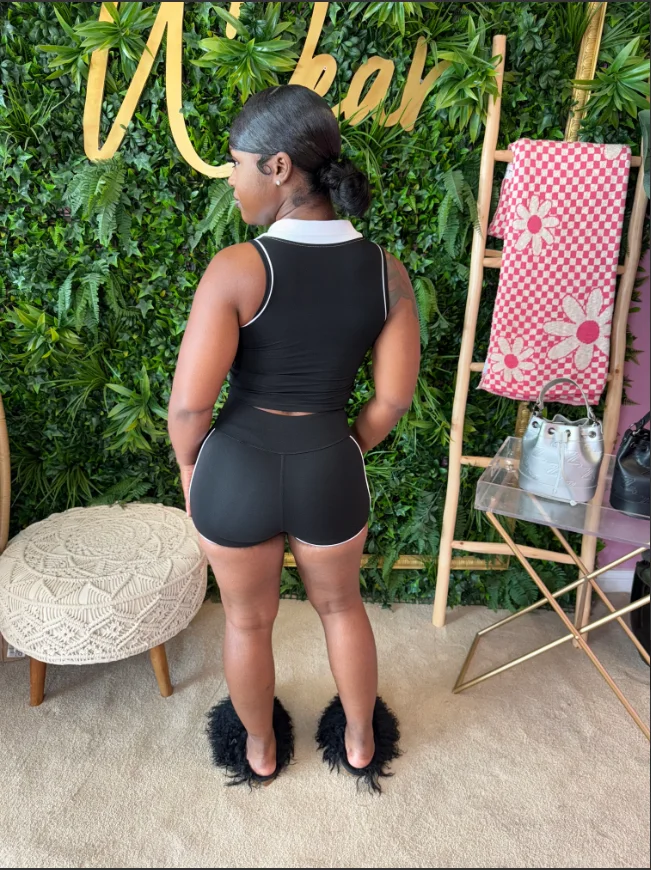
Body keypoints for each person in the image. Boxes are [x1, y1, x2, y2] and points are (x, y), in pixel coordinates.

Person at [168, 84, 420, 792]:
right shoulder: (387, 273)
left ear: (278, 167)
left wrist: (193, 476)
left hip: (235, 472)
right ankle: (361, 741)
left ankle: (258, 750)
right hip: (328, 467)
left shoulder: (236, 268)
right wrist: (345, 449)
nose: (232, 180)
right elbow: (392, 400)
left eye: (235, 164)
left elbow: (188, 410)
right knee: (341, 607)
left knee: (246, 622)